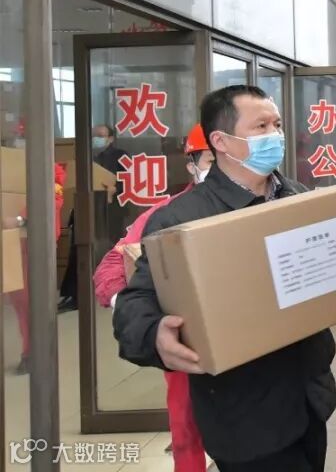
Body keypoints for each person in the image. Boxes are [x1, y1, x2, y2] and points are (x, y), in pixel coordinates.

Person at [113, 86, 336, 472]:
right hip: (244, 415)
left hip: (310, 397)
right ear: (221, 141)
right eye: (261, 127)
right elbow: (136, 301)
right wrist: (153, 333)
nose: (275, 135)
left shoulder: (297, 197)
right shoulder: (182, 218)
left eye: (277, 125)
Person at [94, 124, 213, 472]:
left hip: (257, 351)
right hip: (188, 348)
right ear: (191, 165)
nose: (220, 169)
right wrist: (140, 313)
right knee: (187, 435)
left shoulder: (264, 206)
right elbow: (111, 267)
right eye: (210, 161)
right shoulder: (167, 214)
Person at [2, 162, 66, 375]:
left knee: (31, 302)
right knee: (20, 302)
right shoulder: (13, 163)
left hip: (33, 248)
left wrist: (20, 219)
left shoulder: (48, 167)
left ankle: (32, 353)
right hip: (12, 245)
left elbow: (53, 202)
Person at [58, 124, 128, 313]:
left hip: (110, 212)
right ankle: (74, 295)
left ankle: (111, 291)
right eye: (95, 135)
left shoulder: (121, 156)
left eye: (101, 135)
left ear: (111, 138)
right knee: (79, 252)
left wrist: (115, 188)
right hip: (87, 209)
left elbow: (129, 181)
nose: (96, 138)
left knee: (110, 252)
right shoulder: (87, 156)